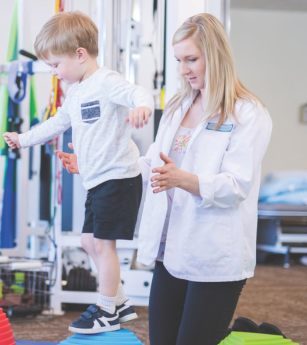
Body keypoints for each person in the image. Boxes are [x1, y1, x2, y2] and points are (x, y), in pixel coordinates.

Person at [56, 13, 273, 345]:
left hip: (213, 256)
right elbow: (148, 165)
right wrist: (96, 166)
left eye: (192, 59)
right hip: (169, 251)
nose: (183, 69)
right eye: (178, 60)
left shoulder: (247, 113)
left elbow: (237, 186)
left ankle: (256, 338)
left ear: (214, 56)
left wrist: (182, 179)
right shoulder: (177, 107)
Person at [2, 11, 154, 334]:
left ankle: (106, 309)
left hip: (120, 179)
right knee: (88, 241)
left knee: (103, 245)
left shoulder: (106, 81)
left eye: (56, 65)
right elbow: (57, 124)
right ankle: (121, 302)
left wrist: (143, 106)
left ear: (80, 55)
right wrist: (22, 140)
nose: (54, 73)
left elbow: (138, 93)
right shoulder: (75, 93)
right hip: (98, 181)